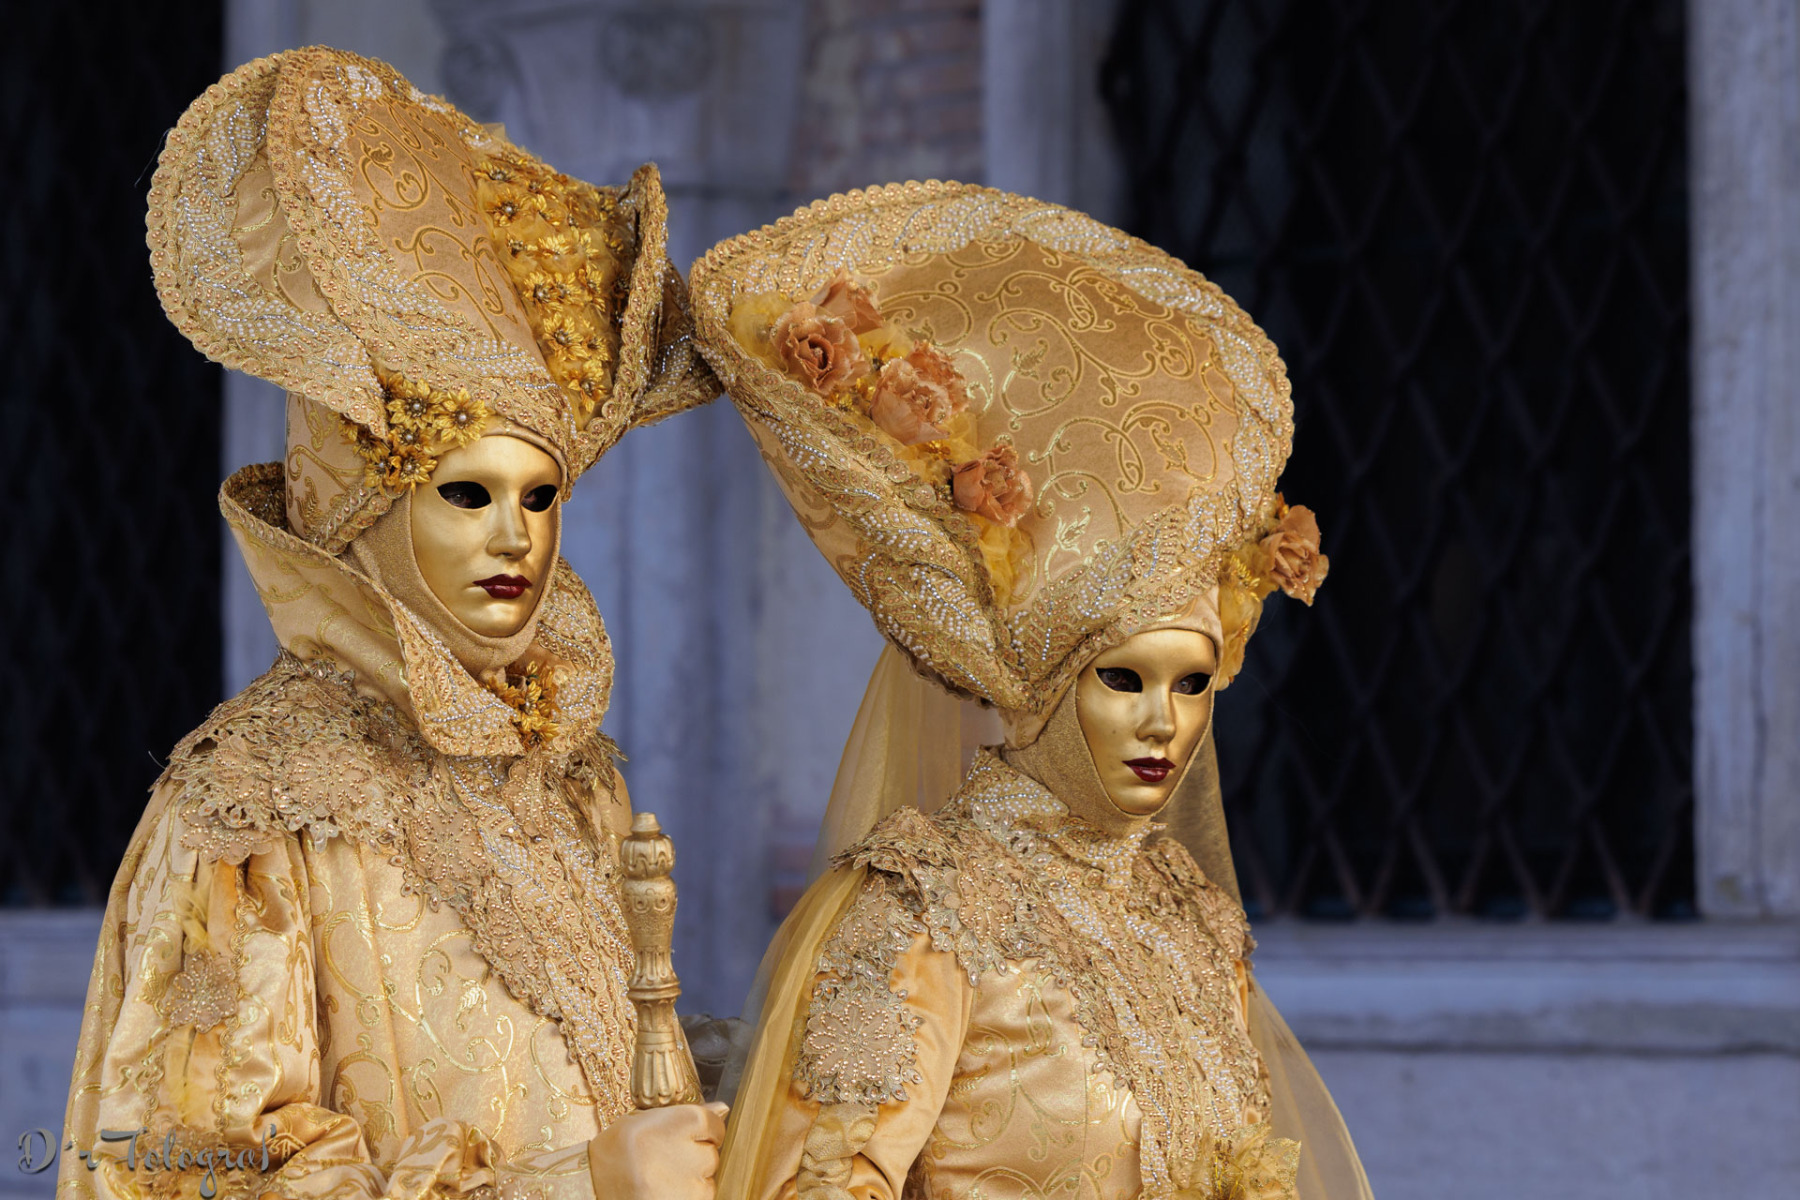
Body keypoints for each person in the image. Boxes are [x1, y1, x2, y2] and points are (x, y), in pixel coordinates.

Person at [60, 48, 724, 1200]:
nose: (515, 538)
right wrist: (578, 1187)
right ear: (364, 514)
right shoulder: (254, 807)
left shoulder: (569, 781)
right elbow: (185, 1172)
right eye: (466, 494)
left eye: (540, 497)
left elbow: (592, 1078)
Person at [688, 182, 1373, 1199]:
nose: (1163, 722)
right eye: (1123, 679)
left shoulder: (1184, 918)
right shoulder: (925, 914)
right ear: (1050, 688)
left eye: (1192, 684)